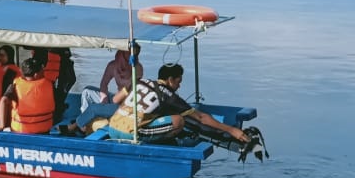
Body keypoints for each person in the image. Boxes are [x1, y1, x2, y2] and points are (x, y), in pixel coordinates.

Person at [106, 62, 250, 144]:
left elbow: (115, 100)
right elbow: (201, 118)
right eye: (178, 82)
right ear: (170, 80)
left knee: (158, 116)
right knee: (178, 120)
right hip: (131, 134)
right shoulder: (169, 96)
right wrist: (231, 130)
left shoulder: (139, 82)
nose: (179, 86)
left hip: (112, 127)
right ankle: (163, 145)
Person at [0, 57, 55, 137]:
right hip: (44, 130)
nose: (43, 72)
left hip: (21, 132)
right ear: (36, 75)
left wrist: (1, 126)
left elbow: (3, 101)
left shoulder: (15, 86)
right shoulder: (49, 85)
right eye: (42, 70)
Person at [80, 44, 143, 112]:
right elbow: (104, 84)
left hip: (126, 102)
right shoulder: (113, 65)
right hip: (114, 98)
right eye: (130, 52)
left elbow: (132, 88)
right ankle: (85, 117)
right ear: (122, 51)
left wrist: (134, 66)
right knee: (87, 91)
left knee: (115, 102)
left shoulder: (137, 68)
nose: (132, 55)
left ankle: (107, 113)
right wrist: (104, 97)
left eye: (135, 53)